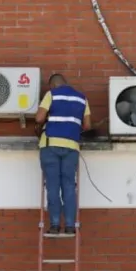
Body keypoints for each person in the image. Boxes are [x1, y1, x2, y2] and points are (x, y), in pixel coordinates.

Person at [35, 74, 92, 236]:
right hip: (72, 147)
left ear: (53, 85)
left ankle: (54, 225)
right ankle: (69, 226)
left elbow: (39, 118)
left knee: (53, 185)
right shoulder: (82, 98)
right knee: (68, 186)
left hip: (51, 145)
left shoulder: (51, 94)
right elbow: (88, 125)